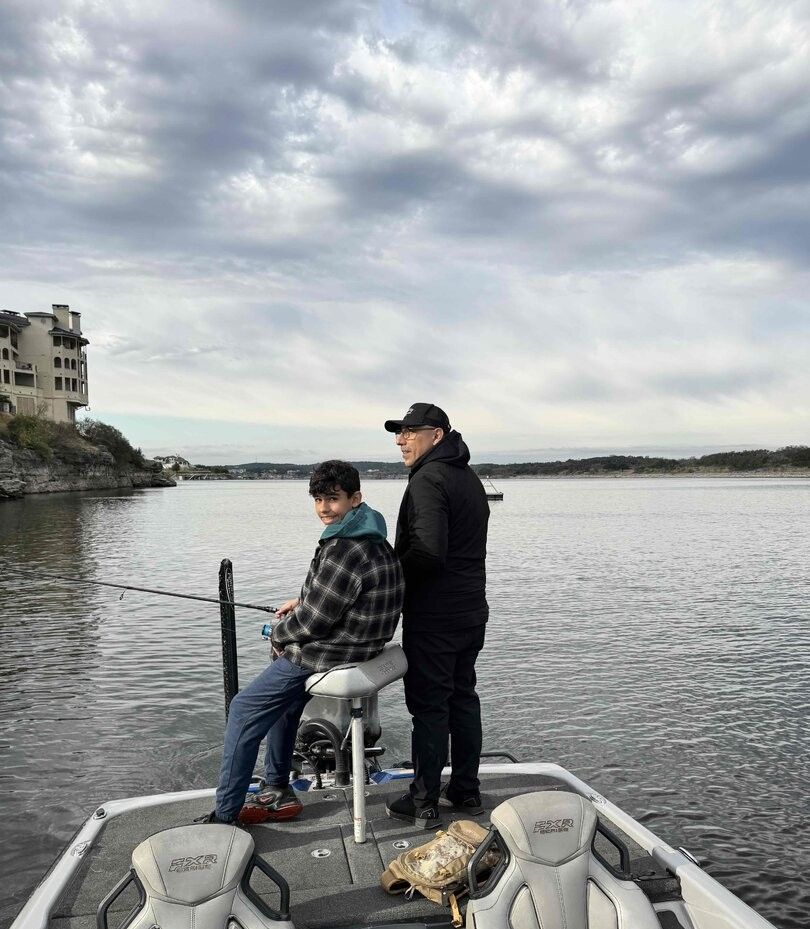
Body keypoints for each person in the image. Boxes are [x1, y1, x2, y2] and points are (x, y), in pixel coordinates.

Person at [205, 460, 404, 825]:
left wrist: (278, 633)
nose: (325, 508)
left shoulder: (344, 548)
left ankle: (225, 816)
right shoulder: (372, 536)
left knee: (243, 710)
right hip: (365, 644)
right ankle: (278, 789)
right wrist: (301, 602)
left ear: (355, 498)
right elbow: (336, 598)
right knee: (283, 701)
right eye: (318, 500)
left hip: (334, 651)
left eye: (333, 499)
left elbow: (314, 622)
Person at [382, 403, 489, 827]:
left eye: (410, 432)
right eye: (399, 433)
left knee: (429, 707)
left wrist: (383, 574)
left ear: (437, 435)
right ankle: (465, 790)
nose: (401, 440)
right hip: (470, 613)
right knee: (463, 698)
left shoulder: (428, 479)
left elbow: (427, 553)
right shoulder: (468, 477)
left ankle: (424, 800)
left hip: (435, 616)